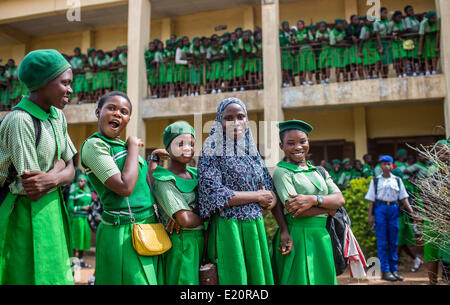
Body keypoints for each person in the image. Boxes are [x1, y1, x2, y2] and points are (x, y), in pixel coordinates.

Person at [0, 49, 77, 284]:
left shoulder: (57, 116)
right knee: (22, 276)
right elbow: (32, 189)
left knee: (54, 276)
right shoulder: (19, 120)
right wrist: (59, 169)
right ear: (43, 83)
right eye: (64, 83)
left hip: (52, 208)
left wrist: (53, 177)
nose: (70, 90)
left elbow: (72, 167)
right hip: (20, 213)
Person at [80, 91, 162, 285]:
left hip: (148, 229)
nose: (118, 114)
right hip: (124, 233)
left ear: (128, 119)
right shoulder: (94, 146)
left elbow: (145, 187)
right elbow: (125, 187)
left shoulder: (123, 148)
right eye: (112, 108)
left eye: (124, 111)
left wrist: (153, 161)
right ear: (98, 112)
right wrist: (133, 145)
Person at [197, 97, 279, 284]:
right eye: (229, 118)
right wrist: (258, 196)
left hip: (254, 226)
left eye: (240, 117)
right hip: (228, 227)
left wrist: (269, 199)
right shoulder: (211, 150)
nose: (236, 122)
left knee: (256, 278)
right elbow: (214, 194)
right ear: (219, 121)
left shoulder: (252, 152)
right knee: (234, 278)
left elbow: (269, 189)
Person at [271, 119, 345, 285]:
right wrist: (328, 208)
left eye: (302, 141)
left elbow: (340, 199)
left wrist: (312, 200)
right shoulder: (282, 173)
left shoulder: (319, 171)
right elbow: (296, 211)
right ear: (281, 146)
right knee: (299, 279)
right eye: (291, 143)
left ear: (308, 143)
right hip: (298, 234)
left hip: (322, 235)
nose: (298, 147)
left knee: (323, 279)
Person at [152, 121, 204, 285]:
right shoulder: (164, 181)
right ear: (168, 148)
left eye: (191, 144)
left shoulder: (198, 175)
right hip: (181, 243)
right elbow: (184, 220)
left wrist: (193, 211)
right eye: (180, 143)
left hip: (203, 240)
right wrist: (209, 213)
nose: (187, 148)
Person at [365, 155, 415, 282]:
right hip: (380, 210)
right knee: (382, 242)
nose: (387, 166)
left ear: (392, 165)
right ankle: (385, 271)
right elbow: (371, 200)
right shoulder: (375, 181)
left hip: (393, 210)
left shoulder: (397, 180)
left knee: (394, 242)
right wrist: (370, 216)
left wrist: (412, 212)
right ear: (380, 166)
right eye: (384, 164)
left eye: (389, 164)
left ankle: (394, 270)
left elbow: (404, 198)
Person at [67, 174, 92, 269]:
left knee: (84, 240)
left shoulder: (89, 192)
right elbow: (70, 207)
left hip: (86, 219)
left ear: (86, 182)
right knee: (76, 240)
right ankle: (74, 262)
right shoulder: (74, 193)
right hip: (77, 219)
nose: (80, 182)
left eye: (82, 181)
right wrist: (81, 207)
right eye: (78, 180)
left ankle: (81, 261)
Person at [418, 11, 440, 76]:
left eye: (435, 18)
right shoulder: (423, 23)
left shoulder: (437, 21)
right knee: (427, 54)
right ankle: (427, 70)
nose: (435, 19)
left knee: (434, 54)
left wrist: (436, 46)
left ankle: (434, 70)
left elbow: (438, 33)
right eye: (433, 18)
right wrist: (419, 50)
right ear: (429, 19)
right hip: (426, 37)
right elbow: (421, 37)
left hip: (434, 37)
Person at [374, 7, 393, 78]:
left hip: (387, 42)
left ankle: (386, 75)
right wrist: (380, 46)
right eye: (384, 13)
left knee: (387, 61)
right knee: (381, 60)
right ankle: (381, 75)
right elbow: (377, 34)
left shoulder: (387, 20)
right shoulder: (376, 22)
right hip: (380, 42)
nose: (386, 14)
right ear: (380, 13)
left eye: (386, 13)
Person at [403, 5, 421, 76]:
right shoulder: (407, 19)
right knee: (411, 56)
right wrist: (417, 32)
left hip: (417, 39)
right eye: (409, 10)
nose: (412, 11)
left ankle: (417, 70)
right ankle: (412, 70)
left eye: (412, 9)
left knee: (416, 55)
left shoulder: (415, 19)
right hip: (411, 39)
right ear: (406, 12)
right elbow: (408, 29)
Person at [346, 15, 364, 80]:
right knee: (352, 63)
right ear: (351, 20)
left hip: (359, 46)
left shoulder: (360, 26)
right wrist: (351, 37)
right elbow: (346, 37)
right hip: (351, 47)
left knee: (359, 63)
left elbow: (362, 36)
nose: (357, 21)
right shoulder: (348, 27)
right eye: (355, 19)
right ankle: (354, 76)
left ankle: (361, 76)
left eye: (357, 19)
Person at [391, 11, 408, 78]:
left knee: (404, 57)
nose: (400, 19)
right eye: (398, 17)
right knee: (396, 58)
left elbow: (405, 30)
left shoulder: (403, 22)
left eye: (401, 17)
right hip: (394, 43)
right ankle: (398, 73)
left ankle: (404, 72)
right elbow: (389, 33)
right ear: (394, 18)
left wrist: (399, 32)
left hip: (401, 41)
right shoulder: (391, 24)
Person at [280, 21, 293, 88]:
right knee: (285, 69)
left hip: (289, 53)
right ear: (283, 27)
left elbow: (293, 41)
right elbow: (282, 42)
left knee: (289, 69)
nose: (287, 27)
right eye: (285, 26)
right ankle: (286, 82)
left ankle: (286, 82)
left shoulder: (290, 33)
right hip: (284, 53)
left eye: (288, 25)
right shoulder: (281, 33)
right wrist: (288, 41)